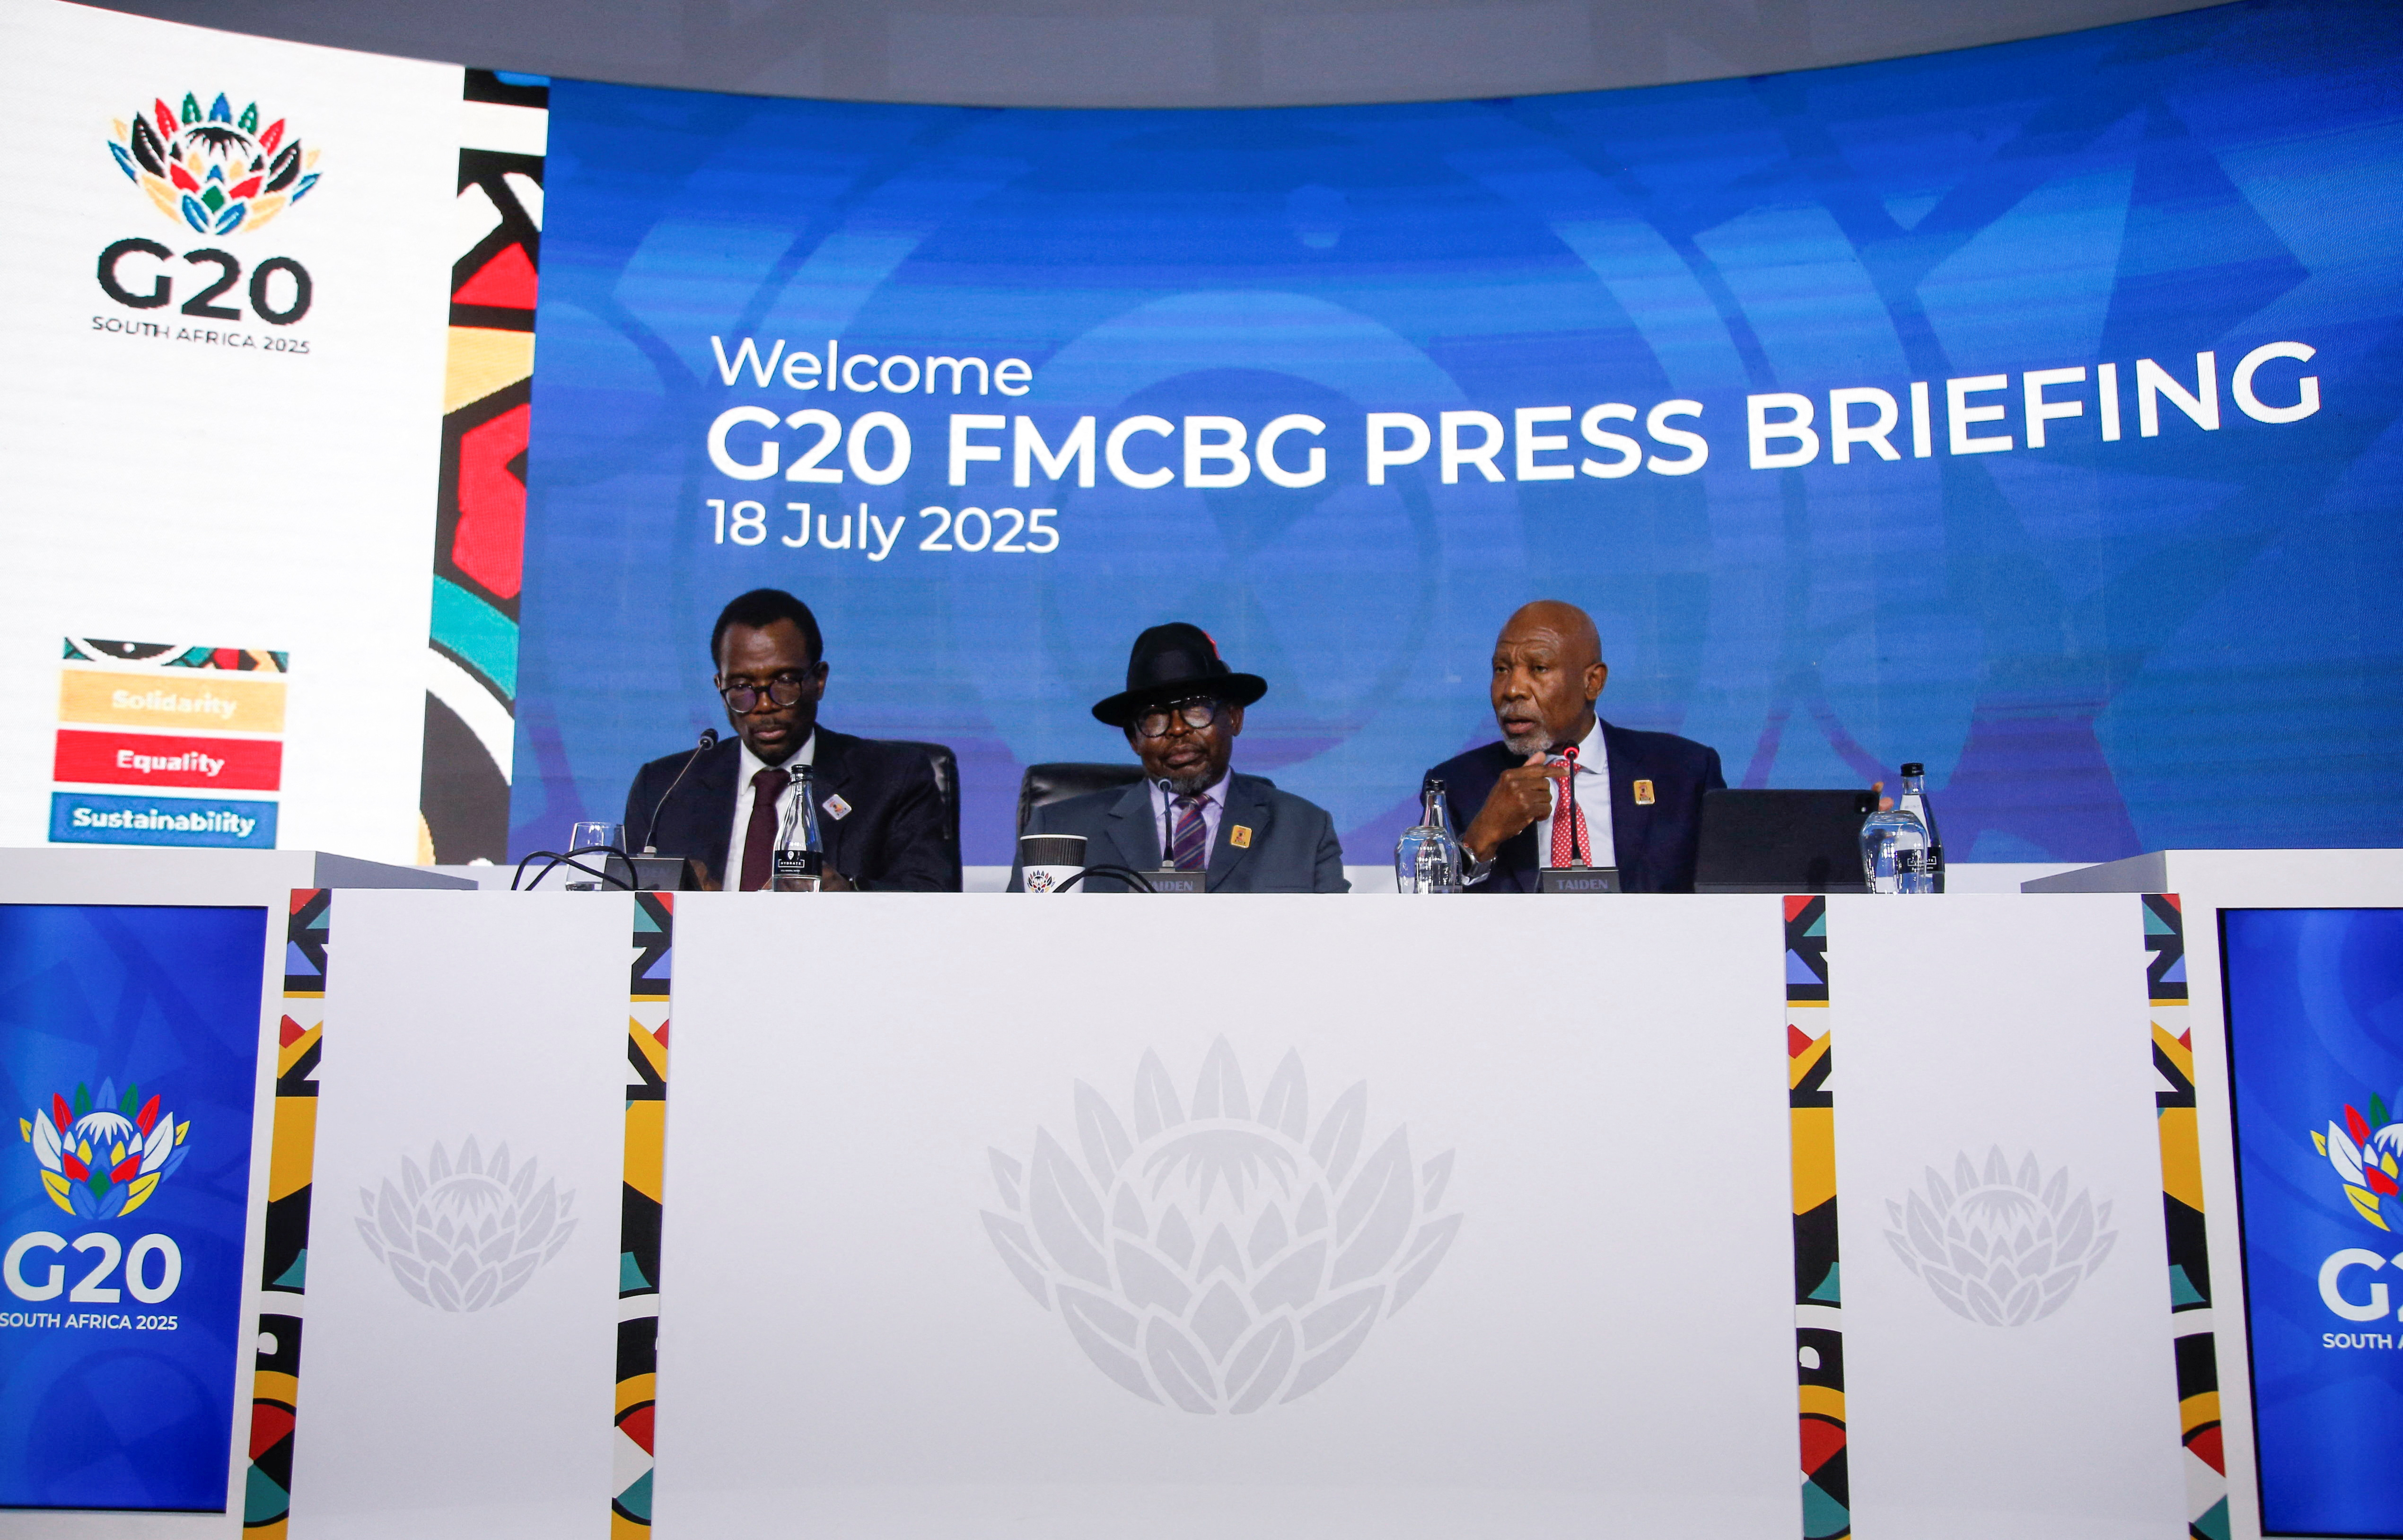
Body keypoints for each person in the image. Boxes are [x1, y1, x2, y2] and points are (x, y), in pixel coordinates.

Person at [622, 588, 956, 891]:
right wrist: (688, 908)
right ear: (720, 689)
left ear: (819, 680)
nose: (764, 705)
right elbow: (627, 913)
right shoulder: (666, 789)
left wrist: (850, 894)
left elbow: (932, 896)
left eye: (784, 682)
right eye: (741, 687)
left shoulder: (891, 778)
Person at [1009, 623, 1348, 893]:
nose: (1177, 730)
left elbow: (1335, 950)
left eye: (1195, 710)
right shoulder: (1057, 830)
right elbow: (1018, 950)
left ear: (1234, 718)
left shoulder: (1304, 829)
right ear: (1134, 739)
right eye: (1155, 718)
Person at [1422, 600, 1724, 893]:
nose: (1512, 690)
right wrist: (1481, 839)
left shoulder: (1684, 773)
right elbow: (1424, 916)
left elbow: (1732, 901)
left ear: (1593, 682)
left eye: (1538, 668)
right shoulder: (1457, 786)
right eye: (1502, 669)